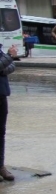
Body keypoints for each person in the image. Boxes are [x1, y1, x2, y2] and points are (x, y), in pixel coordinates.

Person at [0, 43, 17, 183]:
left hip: (2, 94)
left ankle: (0, 166)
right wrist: (10, 56)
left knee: (1, 132)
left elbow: (11, 67)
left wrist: (5, 62)